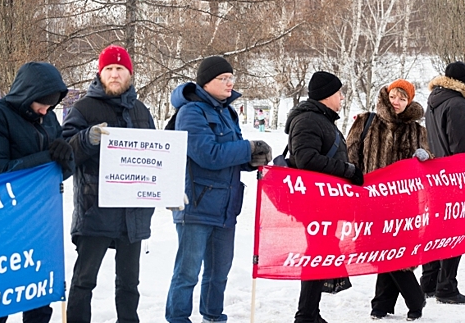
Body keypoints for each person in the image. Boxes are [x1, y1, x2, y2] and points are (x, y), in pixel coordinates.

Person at [165, 56, 272, 323]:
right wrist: (247, 148)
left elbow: (228, 158)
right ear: (206, 83)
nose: (229, 83)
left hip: (225, 206)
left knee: (219, 271)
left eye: (231, 78)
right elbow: (207, 154)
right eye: (223, 78)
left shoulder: (227, 112)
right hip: (196, 204)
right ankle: (177, 319)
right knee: (187, 272)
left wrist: (251, 160)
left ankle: (213, 317)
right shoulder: (191, 111)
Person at [0, 62, 73, 323]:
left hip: (41, 221)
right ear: (27, 94)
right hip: (4, 224)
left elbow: (58, 172)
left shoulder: (48, 118)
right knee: (1, 299)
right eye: (41, 104)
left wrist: (66, 158)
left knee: (40, 300)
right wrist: (46, 158)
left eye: (51, 105)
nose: (45, 111)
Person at [63, 45, 156, 323]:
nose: (114, 74)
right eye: (109, 69)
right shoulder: (84, 107)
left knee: (129, 284)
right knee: (84, 281)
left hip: (133, 213)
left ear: (130, 73)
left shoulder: (141, 110)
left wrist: (168, 187)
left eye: (120, 69)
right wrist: (86, 139)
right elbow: (65, 151)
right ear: (100, 73)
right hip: (96, 209)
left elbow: (155, 155)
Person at [285, 71, 364, 323]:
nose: (342, 97)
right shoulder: (308, 120)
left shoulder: (321, 119)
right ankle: (306, 314)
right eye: (339, 92)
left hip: (325, 203)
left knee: (320, 253)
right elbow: (306, 158)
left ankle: (310, 312)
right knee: (316, 253)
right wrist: (348, 170)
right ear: (328, 95)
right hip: (314, 203)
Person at [346, 79, 429, 321]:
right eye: (394, 96)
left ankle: (382, 305)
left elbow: (428, 159)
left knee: (396, 250)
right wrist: (354, 187)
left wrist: (425, 156)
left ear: (409, 101)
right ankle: (414, 298)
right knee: (381, 249)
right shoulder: (366, 122)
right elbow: (351, 156)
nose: (397, 102)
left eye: (403, 98)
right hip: (372, 199)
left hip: (404, 203)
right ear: (386, 95)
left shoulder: (417, 130)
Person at [420, 61, 465, 305]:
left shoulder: (434, 101)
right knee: (455, 230)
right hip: (456, 177)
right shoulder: (458, 105)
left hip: (438, 176)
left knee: (437, 229)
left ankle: (430, 282)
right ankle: (447, 286)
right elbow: (464, 147)